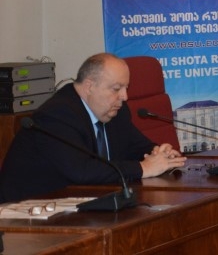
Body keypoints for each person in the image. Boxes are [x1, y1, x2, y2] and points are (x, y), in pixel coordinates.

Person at [0, 53, 186, 203]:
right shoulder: (57, 115)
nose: (125, 96)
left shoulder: (115, 110)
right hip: (28, 211)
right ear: (89, 86)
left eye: (126, 88)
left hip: (80, 203)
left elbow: (136, 146)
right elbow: (82, 170)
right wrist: (142, 168)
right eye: (116, 88)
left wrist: (159, 153)